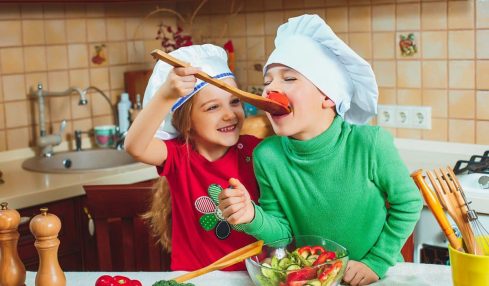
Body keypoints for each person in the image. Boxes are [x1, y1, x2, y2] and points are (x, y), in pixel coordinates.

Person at [218, 14, 423, 285]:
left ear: (328, 96)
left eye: (289, 78)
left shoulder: (370, 143)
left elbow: (409, 203)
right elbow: (282, 236)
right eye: (267, 82)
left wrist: (377, 262)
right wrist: (252, 216)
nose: (271, 90)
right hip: (314, 278)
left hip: (377, 277)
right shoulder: (267, 156)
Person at [124, 44, 261, 271]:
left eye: (235, 101)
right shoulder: (180, 156)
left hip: (251, 278)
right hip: (195, 278)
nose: (229, 114)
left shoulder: (256, 152)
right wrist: (165, 96)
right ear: (186, 123)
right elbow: (135, 147)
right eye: (212, 107)